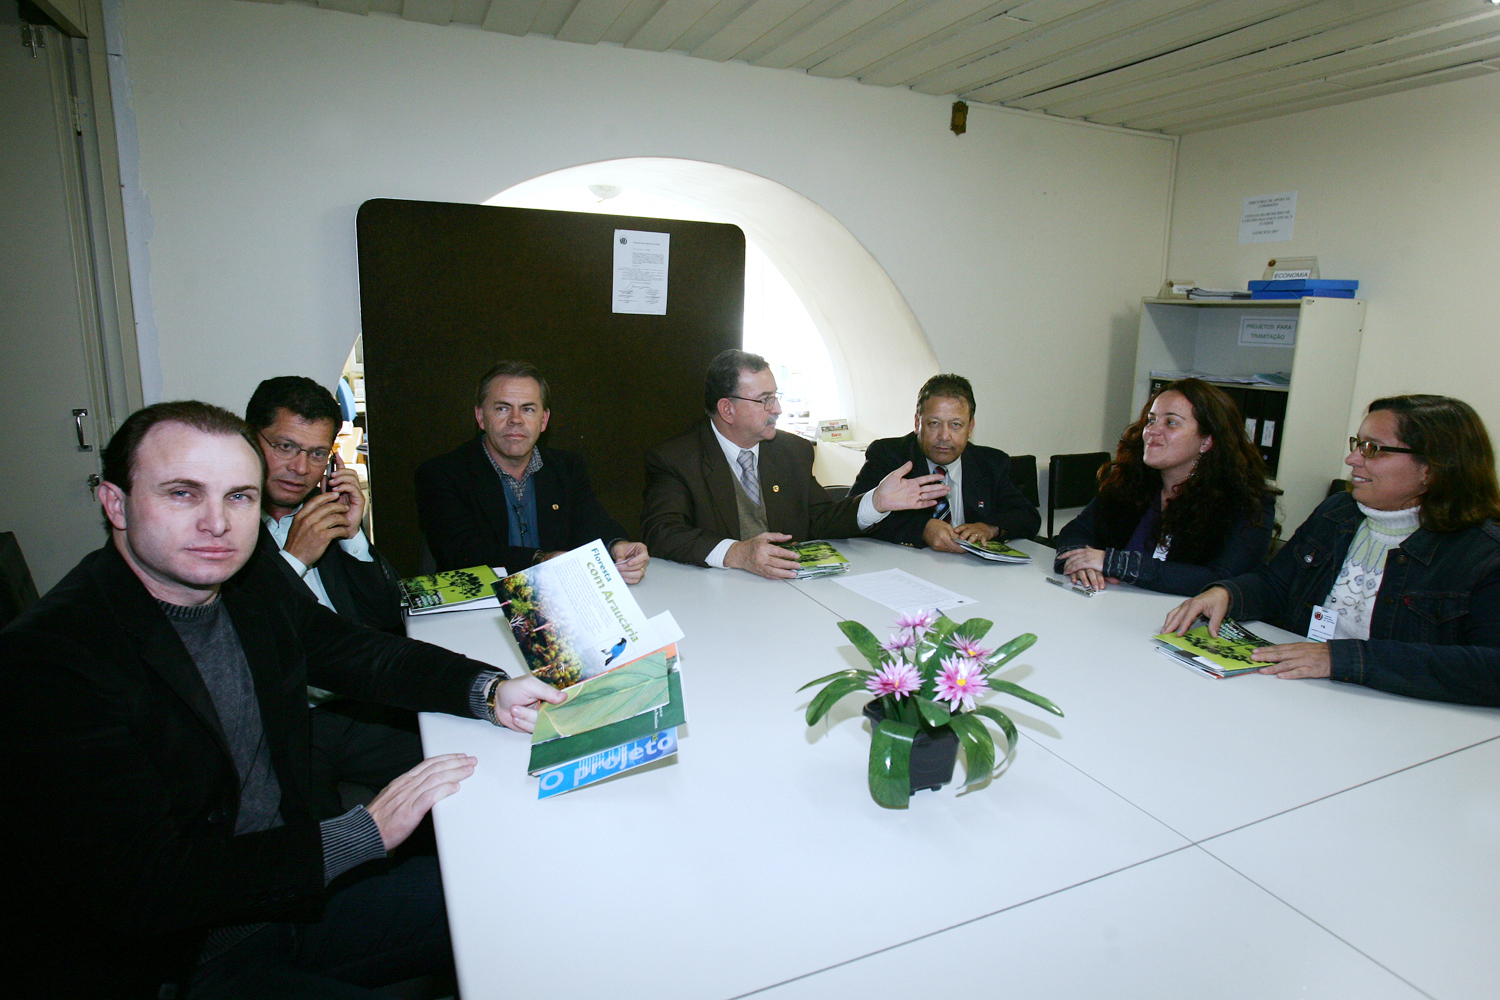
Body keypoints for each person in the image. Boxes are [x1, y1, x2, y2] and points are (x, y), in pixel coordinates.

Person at [0, 401, 563, 997]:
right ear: (115, 502)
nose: (217, 523)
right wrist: (362, 833)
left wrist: (489, 690)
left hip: (292, 899)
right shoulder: (50, 659)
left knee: (527, 894)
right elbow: (143, 885)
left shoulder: (246, 581)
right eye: (183, 494)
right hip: (182, 959)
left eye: (239, 497)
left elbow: (355, 651)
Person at [1163, 394, 1500, 706]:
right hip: (1305, 696)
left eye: (1373, 449)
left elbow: (1491, 668)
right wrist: (1228, 594)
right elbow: (1277, 584)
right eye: (1358, 444)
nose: (1352, 459)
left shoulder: (1484, 554)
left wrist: (1342, 658)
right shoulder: (1338, 512)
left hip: (1400, 717)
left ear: (1432, 468)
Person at [247, 375, 421, 822]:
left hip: (357, 705)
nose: (301, 468)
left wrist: (354, 539)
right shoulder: (225, 525)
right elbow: (247, 644)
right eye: (285, 447)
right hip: (285, 723)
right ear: (249, 440)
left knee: (464, 765)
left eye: (317, 453)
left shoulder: (321, 510)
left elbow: (387, 617)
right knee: (314, 842)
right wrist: (294, 562)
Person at [641, 349, 949, 578]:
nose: (777, 408)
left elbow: (820, 520)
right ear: (727, 409)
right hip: (714, 598)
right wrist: (736, 552)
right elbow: (662, 532)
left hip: (788, 596)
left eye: (775, 396)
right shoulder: (676, 459)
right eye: (765, 400)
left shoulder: (793, 451)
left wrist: (876, 502)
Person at [416, 359, 649, 582]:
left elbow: (590, 520)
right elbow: (461, 552)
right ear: (480, 417)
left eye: (527, 409)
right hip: (478, 605)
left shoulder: (567, 468)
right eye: (502, 408)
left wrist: (618, 545)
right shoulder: (441, 474)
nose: (515, 420)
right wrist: (540, 560)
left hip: (555, 600)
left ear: (544, 419)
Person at [1053, 378, 1278, 595]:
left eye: (1170, 422)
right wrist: (1081, 564)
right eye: (1151, 420)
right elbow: (1077, 531)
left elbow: (1222, 579)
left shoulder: (1247, 502)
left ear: (1207, 441)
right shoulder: (1130, 481)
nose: (1151, 431)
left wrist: (1115, 563)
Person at [850, 373, 1040, 551]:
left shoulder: (991, 463)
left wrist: (991, 528)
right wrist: (922, 529)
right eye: (934, 423)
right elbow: (853, 515)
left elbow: (1027, 516)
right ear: (918, 423)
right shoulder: (889, 455)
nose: (944, 436)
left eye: (956, 425)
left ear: (970, 427)